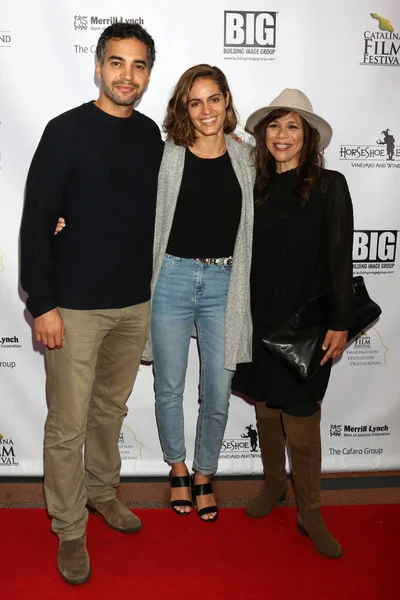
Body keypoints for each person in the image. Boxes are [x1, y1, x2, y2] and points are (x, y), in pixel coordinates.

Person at [20, 23, 163, 585]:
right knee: (67, 425)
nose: (127, 75)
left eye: (139, 65)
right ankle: (69, 527)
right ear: (99, 66)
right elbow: (36, 222)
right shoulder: (65, 131)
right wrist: (44, 304)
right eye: (117, 63)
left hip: (134, 304)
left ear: (148, 73)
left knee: (111, 411)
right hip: (74, 308)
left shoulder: (151, 135)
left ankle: (104, 493)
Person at [232, 89, 354, 558]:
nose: (282, 135)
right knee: (265, 408)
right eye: (275, 125)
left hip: (307, 325)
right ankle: (272, 485)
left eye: (293, 126)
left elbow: (340, 259)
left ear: (308, 137)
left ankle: (311, 511)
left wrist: (341, 322)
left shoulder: (329, 186)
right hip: (258, 317)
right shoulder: (254, 186)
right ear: (263, 135)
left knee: (301, 421)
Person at [142, 65, 255, 522]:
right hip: (171, 276)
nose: (206, 110)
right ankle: (178, 468)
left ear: (227, 100)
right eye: (195, 102)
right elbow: (121, 200)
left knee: (218, 390)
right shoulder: (167, 156)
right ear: (183, 108)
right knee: (169, 387)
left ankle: (206, 472)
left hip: (225, 283)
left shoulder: (247, 158)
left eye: (213, 99)